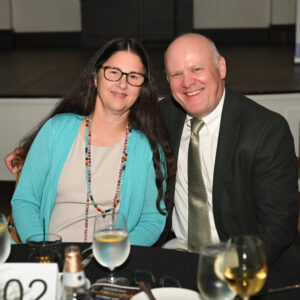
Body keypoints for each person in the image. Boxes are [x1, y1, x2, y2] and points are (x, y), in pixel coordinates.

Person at [7, 37, 176, 245]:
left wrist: (116, 254)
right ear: (96, 77)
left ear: (142, 87)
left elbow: (152, 219)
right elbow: (25, 201)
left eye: (133, 76)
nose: (122, 83)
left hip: (110, 264)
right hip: (51, 258)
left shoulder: (147, 149)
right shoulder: (56, 130)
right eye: (113, 72)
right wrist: (43, 250)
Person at [155, 33, 300, 268]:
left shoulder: (266, 130)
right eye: (176, 74)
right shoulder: (163, 117)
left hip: (244, 263)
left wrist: (232, 269)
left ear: (221, 68)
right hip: (178, 254)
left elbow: (278, 227)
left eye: (196, 69)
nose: (187, 82)